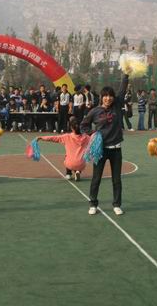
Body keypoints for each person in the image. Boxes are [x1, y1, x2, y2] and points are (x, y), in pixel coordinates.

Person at [80, 73, 129, 216]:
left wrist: (125, 75)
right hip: (100, 150)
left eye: (110, 96)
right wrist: (92, 134)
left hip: (116, 149)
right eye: (106, 96)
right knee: (96, 178)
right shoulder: (95, 111)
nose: (108, 98)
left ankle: (117, 205)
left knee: (116, 179)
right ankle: (93, 204)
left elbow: (122, 90)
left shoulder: (117, 106)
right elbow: (83, 125)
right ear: (102, 97)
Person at [39, 116, 90, 181]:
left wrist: (41, 138)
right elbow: (94, 140)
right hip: (81, 164)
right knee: (82, 158)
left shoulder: (67, 137)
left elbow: (53, 138)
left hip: (70, 163)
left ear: (71, 128)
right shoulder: (86, 137)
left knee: (67, 157)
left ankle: (68, 174)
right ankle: (78, 171)